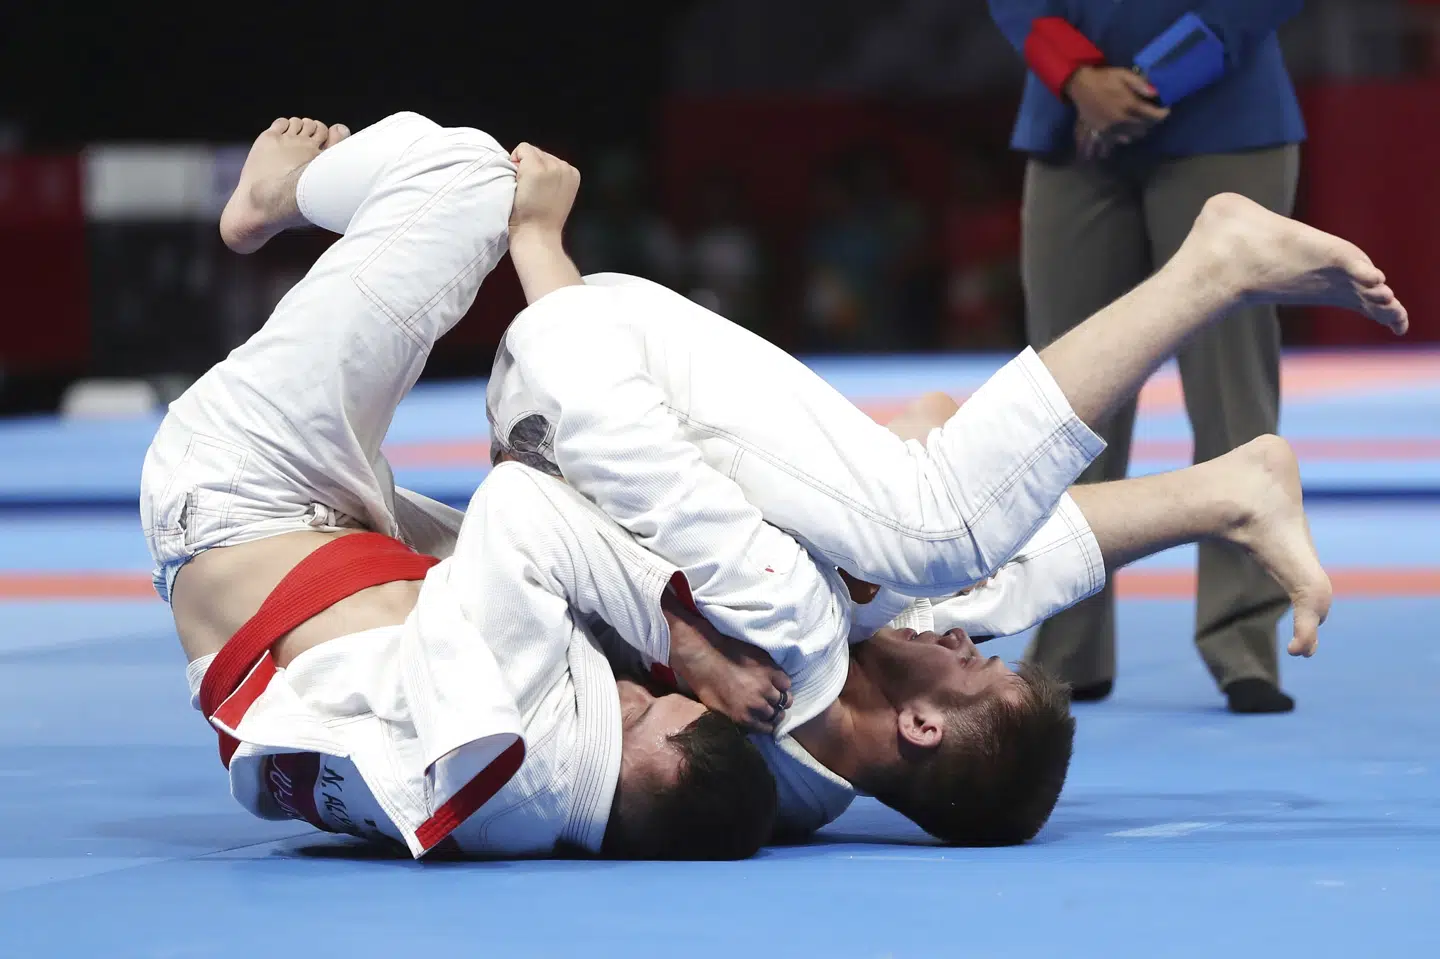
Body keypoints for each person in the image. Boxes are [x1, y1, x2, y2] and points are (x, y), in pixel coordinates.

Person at [487, 146, 1404, 844]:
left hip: (579, 376)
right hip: (565, 411)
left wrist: (538, 246)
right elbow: (635, 491)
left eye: (975, 668)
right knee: (935, 587)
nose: (976, 648)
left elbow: (632, 466)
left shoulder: (781, 669)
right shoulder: (793, 785)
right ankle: (1223, 493)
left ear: (922, 725)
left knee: (934, 536)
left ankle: (1214, 268)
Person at [138, 112, 780, 861]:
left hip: (240, 484)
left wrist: (689, 646)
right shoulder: (526, 820)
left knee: (465, 171)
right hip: (311, 565)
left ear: (668, 754)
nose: (635, 693)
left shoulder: (537, 724)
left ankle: (274, 195)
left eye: (650, 705)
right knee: (588, 522)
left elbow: (518, 504)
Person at [988, 0, 1311, 712]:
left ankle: (1243, 640)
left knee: (1231, 384)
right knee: (1064, 398)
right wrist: (1076, 77)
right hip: (1073, 128)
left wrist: (1152, 78)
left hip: (1225, 114)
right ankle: (1067, 643)